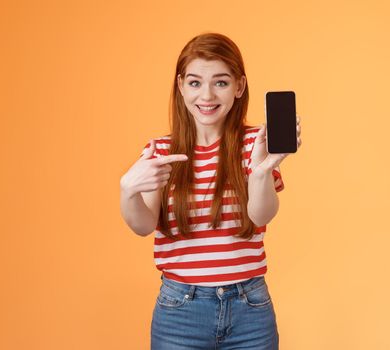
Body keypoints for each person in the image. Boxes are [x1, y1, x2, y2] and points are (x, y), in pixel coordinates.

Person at [120, 32, 302, 350]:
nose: (207, 95)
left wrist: (260, 173)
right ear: (180, 86)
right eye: (194, 83)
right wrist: (128, 191)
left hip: (250, 309)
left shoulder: (255, 144)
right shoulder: (160, 151)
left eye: (220, 82)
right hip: (179, 311)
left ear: (239, 87)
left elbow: (261, 215)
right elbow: (143, 225)